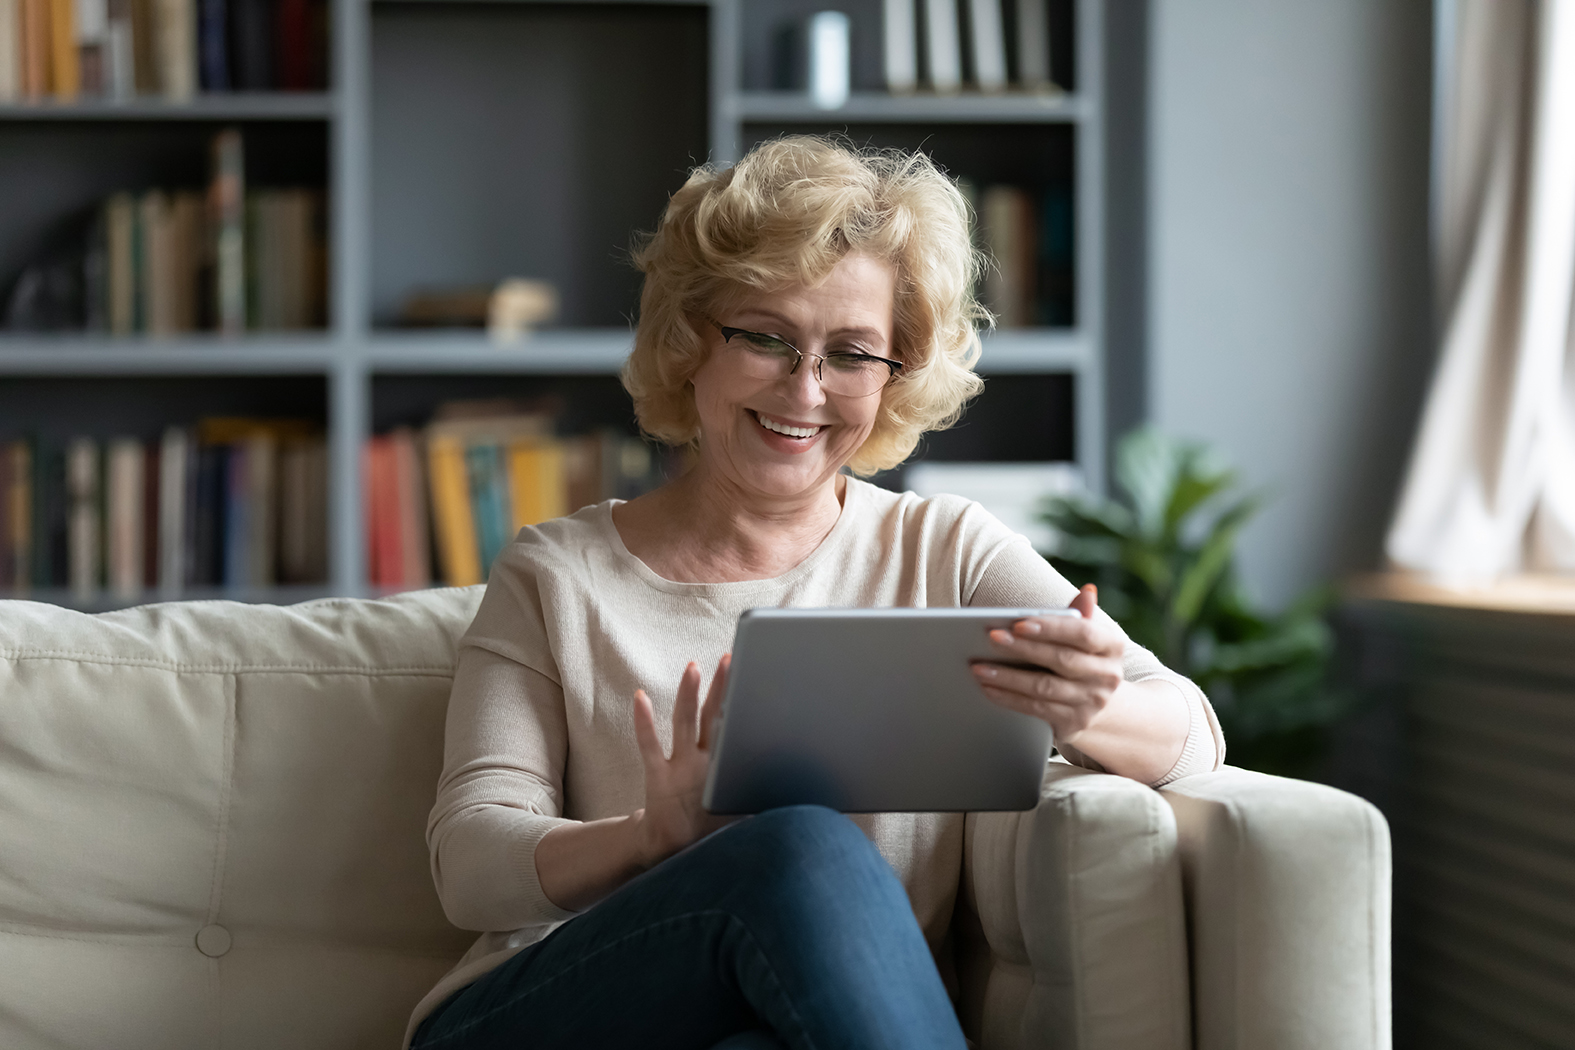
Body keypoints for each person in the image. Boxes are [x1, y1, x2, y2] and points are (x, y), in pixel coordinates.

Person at [406, 136, 1224, 1050]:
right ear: (689, 342)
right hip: (540, 1017)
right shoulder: (555, 573)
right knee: (800, 845)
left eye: (851, 354)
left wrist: (1088, 707)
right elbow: (470, 862)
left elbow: (1190, 733)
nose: (806, 389)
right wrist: (650, 838)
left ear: (896, 373)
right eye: (766, 338)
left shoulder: (941, 550)